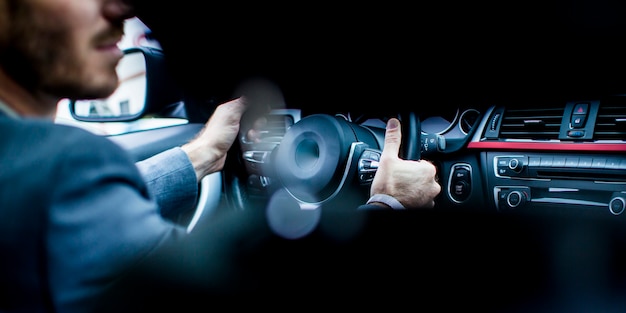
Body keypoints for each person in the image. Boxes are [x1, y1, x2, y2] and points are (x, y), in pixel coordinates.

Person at [0, 0, 441, 312]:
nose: (122, 8)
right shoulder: (61, 167)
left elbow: (75, 214)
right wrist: (389, 204)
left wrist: (203, 155)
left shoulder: (31, 174)